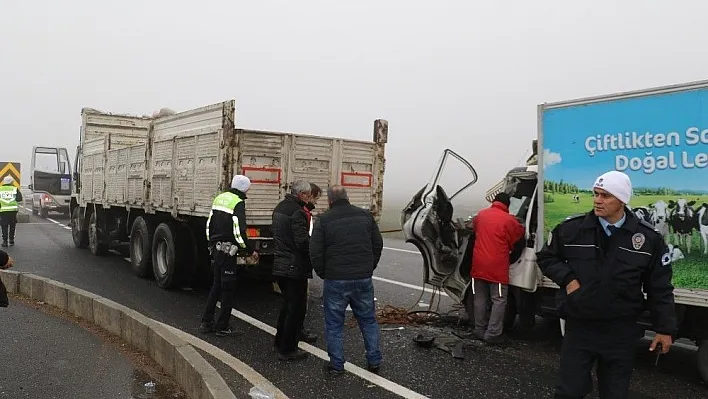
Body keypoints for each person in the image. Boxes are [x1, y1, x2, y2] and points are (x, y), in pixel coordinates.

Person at [537, 170, 676, 399]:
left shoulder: (647, 239)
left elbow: (659, 286)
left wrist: (664, 328)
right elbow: (547, 257)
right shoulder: (572, 229)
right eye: (596, 194)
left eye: (605, 196)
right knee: (569, 391)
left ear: (622, 200)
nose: (597, 200)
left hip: (620, 330)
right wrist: (569, 280)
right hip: (580, 325)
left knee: (615, 392)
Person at [310, 185, 384, 376]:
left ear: (329, 200)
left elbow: (315, 251)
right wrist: (369, 267)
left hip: (336, 279)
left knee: (334, 324)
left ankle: (336, 364)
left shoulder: (323, 220)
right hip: (363, 278)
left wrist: (323, 272)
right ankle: (374, 360)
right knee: (368, 320)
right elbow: (377, 244)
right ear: (347, 197)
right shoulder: (365, 216)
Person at [199, 175, 258, 337]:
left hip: (217, 249)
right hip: (228, 251)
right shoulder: (238, 203)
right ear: (244, 188)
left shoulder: (220, 198)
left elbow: (209, 224)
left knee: (216, 286)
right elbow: (238, 231)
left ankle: (206, 322)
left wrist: (210, 244)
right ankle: (222, 325)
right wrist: (248, 249)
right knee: (228, 289)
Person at [469, 192, 525, 345]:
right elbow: (520, 234)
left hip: (478, 266)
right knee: (499, 300)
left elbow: (475, 230)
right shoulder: (509, 220)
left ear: (494, 201)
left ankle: (479, 330)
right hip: (497, 269)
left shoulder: (481, 215)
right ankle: (493, 334)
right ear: (507, 205)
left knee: (479, 299)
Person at [272, 180, 316, 361]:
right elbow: (302, 242)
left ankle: (279, 343)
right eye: (308, 195)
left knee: (287, 306)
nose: (310, 198)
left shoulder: (281, 207)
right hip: (294, 265)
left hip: (280, 262)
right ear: (302, 195)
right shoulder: (297, 212)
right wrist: (316, 249)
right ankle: (288, 349)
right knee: (296, 309)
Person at [299, 183, 322, 340]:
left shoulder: (303, 212)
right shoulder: (304, 213)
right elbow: (305, 240)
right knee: (300, 299)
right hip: (300, 263)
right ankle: (299, 330)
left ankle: (298, 329)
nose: (316, 202)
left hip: (297, 262)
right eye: (316, 198)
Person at [0, 176, 22, 247]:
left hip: (3, 210)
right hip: (13, 210)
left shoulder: (0, 189)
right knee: (12, 225)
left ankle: (5, 242)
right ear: (12, 182)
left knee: (4, 226)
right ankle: (11, 240)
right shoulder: (15, 188)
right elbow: (19, 199)